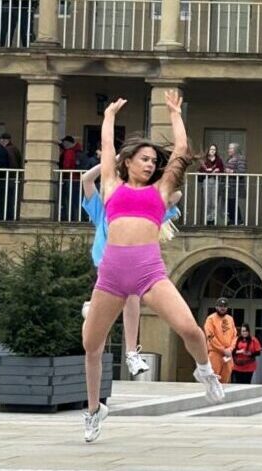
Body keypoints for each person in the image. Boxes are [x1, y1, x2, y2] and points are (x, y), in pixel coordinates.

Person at [81, 92, 224, 443]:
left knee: (191, 330)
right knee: (91, 346)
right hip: (111, 275)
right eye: (144, 159)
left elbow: (180, 151)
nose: (149, 164)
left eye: (153, 161)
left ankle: (205, 371)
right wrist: (109, 116)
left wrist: (175, 113)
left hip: (149, 273)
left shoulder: (160, 191)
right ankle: (94, 410)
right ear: (128, 161)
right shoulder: (111, 186)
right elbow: (107, 147)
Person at [79, 163, 183, 380]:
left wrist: (148, 186)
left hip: (132, 264)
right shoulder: (101, 210)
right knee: (102, 325)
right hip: (108, 267)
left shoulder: (142, 210)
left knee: (132, 298)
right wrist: (110, 162)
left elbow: (177, 195)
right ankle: (118, 345)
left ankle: (131, 352)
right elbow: (86, 179)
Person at [204, 300, 238, 384]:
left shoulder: (230, 319)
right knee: (213, 380)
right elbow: (210, 336)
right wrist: (223, 349)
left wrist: (230, 349)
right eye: (220, 306)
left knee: (226, 380)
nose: (222, 308)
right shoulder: (210, 319)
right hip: (215, 353)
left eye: (224, 306)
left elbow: (235, 336)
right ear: (216, 307)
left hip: (228, 354)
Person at [200, 145, 226, 225]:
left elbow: (222, 170)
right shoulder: (205, 160)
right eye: (211, 149)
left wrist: (217, 171)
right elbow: (201, 170)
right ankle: (208, 219)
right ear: (208, 150)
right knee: (207, 201)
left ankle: (213, 219)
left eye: (214, 149)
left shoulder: (218, 160)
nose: (212, 151)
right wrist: (209, 171)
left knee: (214, 201)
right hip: (207, 181)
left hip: (215, 181)